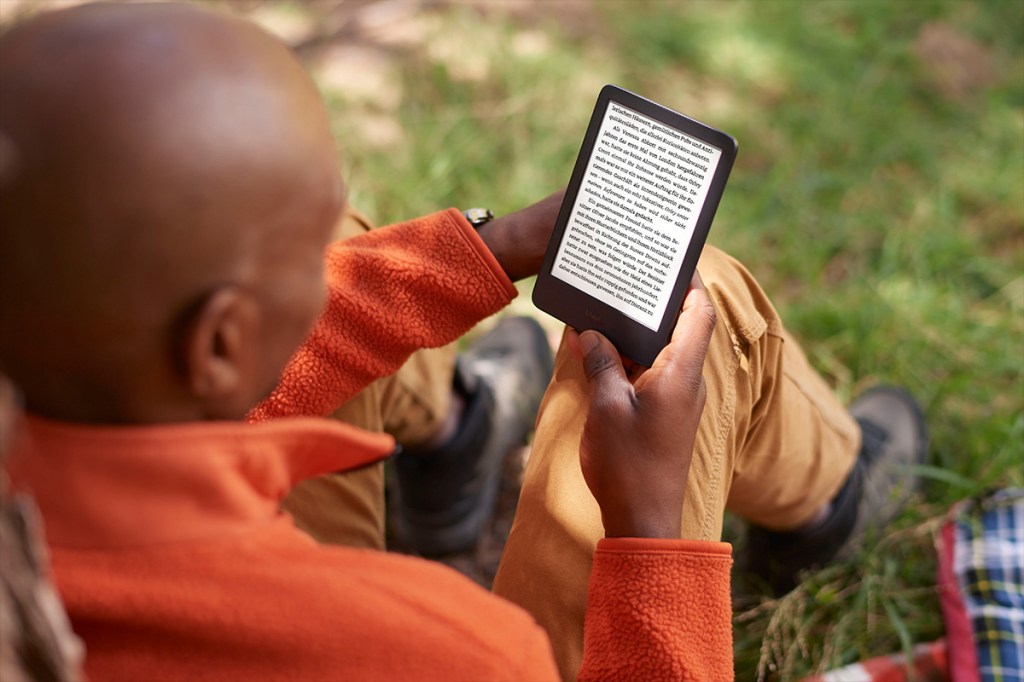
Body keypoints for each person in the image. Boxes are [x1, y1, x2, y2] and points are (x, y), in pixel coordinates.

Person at [0, 4, 928, 681]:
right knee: (705, 299)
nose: (318, 255)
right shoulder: (447, 653)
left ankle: (452, 440)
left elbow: (266, 336)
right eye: (301, 244)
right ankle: (825, 501)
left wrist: (490, 250)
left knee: (354, 256)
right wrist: (650, 532)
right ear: (217, 347)